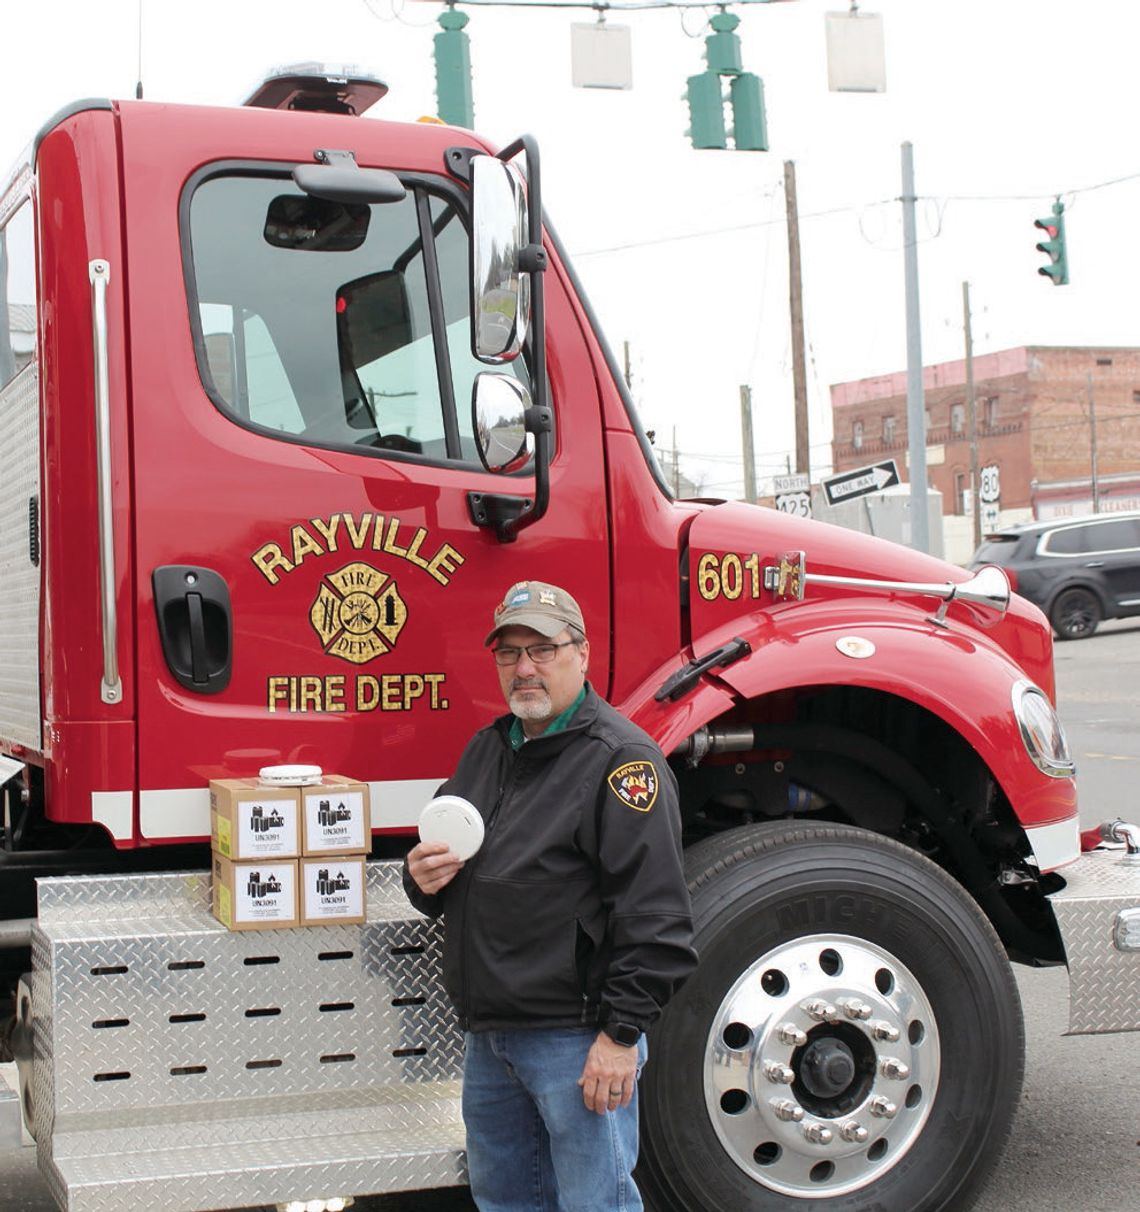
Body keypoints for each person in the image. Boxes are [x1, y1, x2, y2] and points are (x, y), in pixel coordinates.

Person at [404, 580, 697, 1212]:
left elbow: (658, 920)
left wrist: (620, 1038)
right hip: (491, 1040)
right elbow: (442, 860)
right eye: (509, 654)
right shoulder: (489, 749)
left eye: (542, 649)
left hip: (576, 1042)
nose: (525, 668)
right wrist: (419, 878)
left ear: (582, 654)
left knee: (598, 1204)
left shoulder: (621, 762)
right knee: (505, 1202)